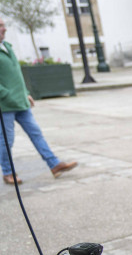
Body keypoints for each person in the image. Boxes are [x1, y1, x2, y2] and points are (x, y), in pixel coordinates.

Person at [0, 16, 77, 185]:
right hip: (4, 106)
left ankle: (54, 164)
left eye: (4, 25)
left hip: (20, 103)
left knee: (36, 133)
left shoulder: (7, 46)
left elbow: (16, 76)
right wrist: (7, 95)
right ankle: (7, 172)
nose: (4, 29)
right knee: (7, 140)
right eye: (0, 26)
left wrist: (25, 93)